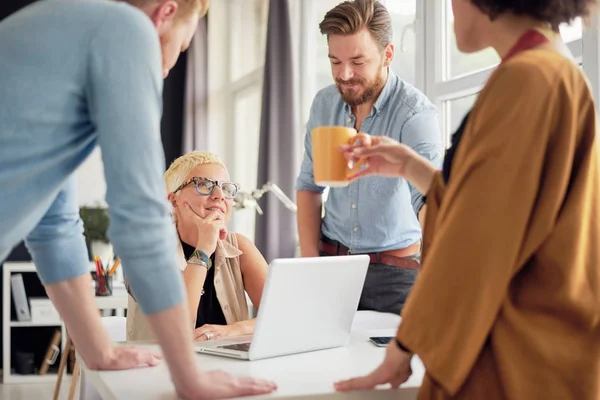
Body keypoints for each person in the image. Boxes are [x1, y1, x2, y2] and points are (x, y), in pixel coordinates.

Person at [0, 0, 276, 398]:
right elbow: (139, 217)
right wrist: (190, 378)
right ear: (165, 13)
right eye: (181, 48)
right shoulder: (126, 31)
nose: (167, 68)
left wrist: (99, 352)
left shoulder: (59, 31)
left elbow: (54, 226)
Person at [335, 0, 600, 398]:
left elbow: (476, 241)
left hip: (517, 359)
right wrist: (414, 169)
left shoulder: (527, 79)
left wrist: (406, 344)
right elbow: (503, 205)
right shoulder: (552, 68)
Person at [296, 0, 443, 315]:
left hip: (395, 276)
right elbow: (309, 185)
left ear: (387, 54)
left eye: (357, 61)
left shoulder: (414, 115)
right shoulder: (324, 105)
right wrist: (310, 266)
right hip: (330, 265)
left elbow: (431, 201)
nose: (344, 74)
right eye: (335, 61)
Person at [127, 152, 267, 342]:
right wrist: (203, 249)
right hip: (162, 368)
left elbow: (284, 314)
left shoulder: (240, 247)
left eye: (226, 188)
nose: (219, 196)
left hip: (229, 368)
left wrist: (233, 330)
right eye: (204, 185)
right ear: (173, 201)